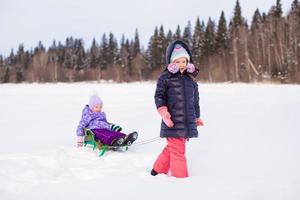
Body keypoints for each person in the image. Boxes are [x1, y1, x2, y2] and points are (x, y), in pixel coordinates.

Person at [151, 40, 204, 178]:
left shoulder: (191, 80)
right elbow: (159, 96)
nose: (182, 65)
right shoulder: (165, 78)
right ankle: (180, 179)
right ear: (171, 62)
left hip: (186, 122)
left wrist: (196, 117)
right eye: (178, 61)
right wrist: (163, 112)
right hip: (172, 122)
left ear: (188, 62)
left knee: (172, 149)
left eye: (184, 61)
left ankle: (157, 170)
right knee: (178, 151)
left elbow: (195, 101)